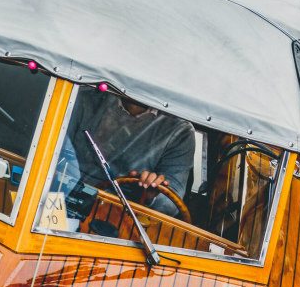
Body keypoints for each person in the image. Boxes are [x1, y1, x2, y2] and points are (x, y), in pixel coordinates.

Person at [58, 89, 196, 219]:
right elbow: (52, 149)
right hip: (62, 193)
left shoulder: (180, 131)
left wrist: (151, 195)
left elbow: (171, 202)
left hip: (119, 216)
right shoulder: (84, 98)